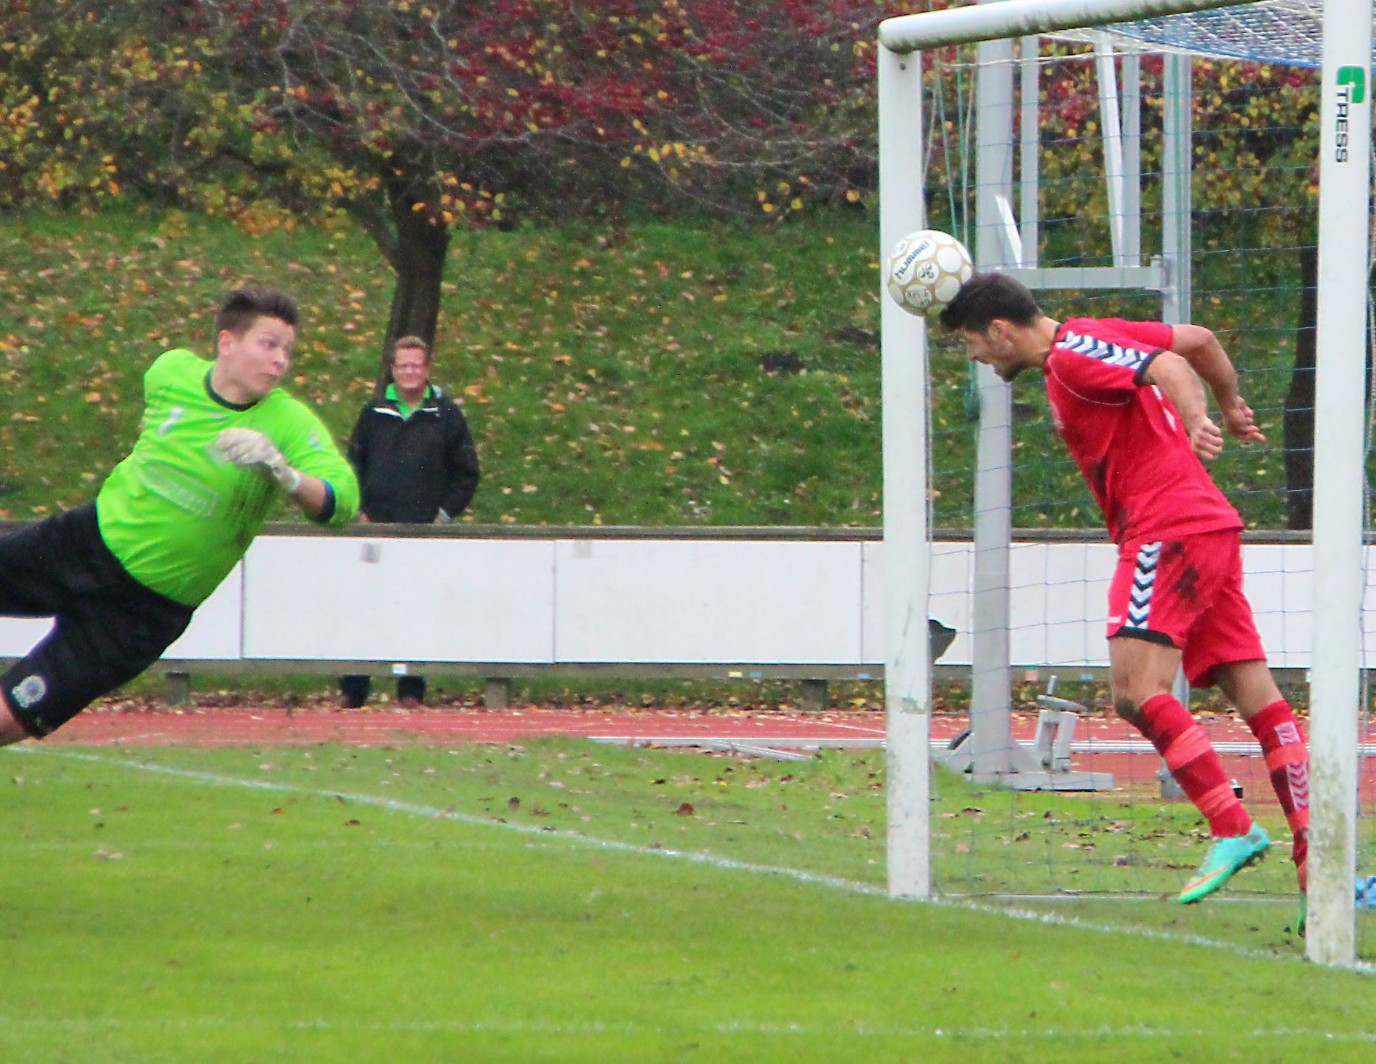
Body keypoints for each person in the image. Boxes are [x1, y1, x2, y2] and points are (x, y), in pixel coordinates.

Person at [938, 272, 1310, 919]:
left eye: (972, 343)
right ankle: (1318, 872)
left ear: (1000, 332)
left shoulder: (1073, 355)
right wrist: (1230, 404)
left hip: (1166, 530)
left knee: (1136, 689)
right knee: (1260, 700)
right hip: (1209, 530)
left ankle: (1231, 825)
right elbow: (1201, 340)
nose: (975, 357)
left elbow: (1170, 363)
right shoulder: (1096, 336)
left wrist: (1199, 418)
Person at [0, 285, 359, 746]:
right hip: (84, 543)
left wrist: (286, 475)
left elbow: (341, 500)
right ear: (227, 342)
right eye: (269, 344)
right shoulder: (170, 373)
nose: (280, 361)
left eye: (287, 351)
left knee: (11, 717)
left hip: (141, 612)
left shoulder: (288, 422)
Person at [339, 335, 480, 708]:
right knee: (365, 606)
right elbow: (352, 466)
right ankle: (354, 689)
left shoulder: (445, 415)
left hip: (422, 532)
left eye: (416, 365)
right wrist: (358, 510)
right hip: (375, 529)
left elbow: (467, 473)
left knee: (415, 608)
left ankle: (411, 690)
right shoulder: (373, 413)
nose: (409, 372)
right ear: (393, 369)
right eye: (403, 365)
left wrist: (442, 516)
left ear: (427, 369)